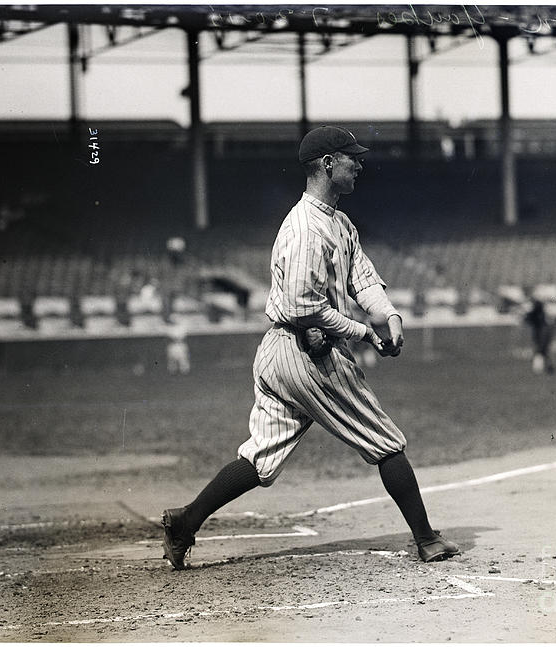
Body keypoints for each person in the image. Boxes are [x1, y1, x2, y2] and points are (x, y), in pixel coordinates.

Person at [160, 126, 460, 570]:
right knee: (386, 442)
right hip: (306, 351)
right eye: (350, 158)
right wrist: (364, 334)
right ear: (327, 164)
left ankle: (184, 523)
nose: (358, 165)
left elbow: (364, 278)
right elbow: (303, 307)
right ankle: (427, 539)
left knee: (260, 457)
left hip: (282, 355)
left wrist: (389, 315)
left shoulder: (339, 223)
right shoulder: (303, 228)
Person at [523, 297, 555, 374]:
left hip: (541, 332)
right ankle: (546, 366)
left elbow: (527, 320)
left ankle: (541, 367)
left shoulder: (536, 313)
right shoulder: (540, 313)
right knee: (542, 350)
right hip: (543, 332)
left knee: (540, 349)